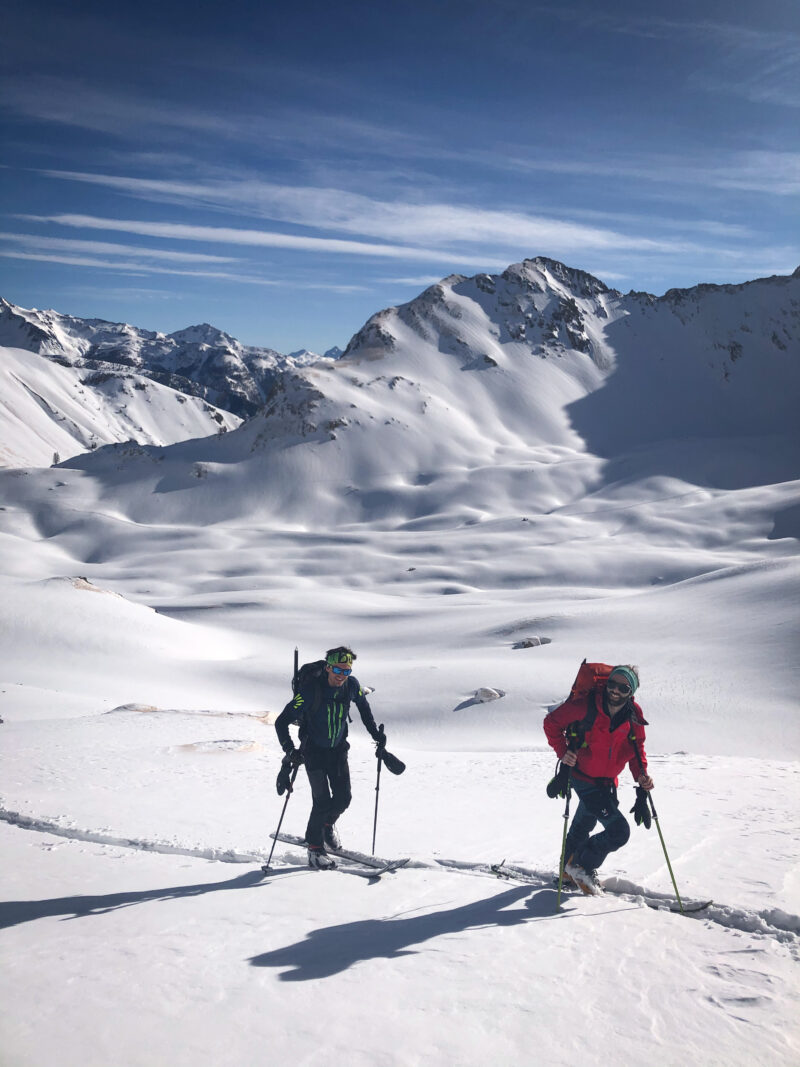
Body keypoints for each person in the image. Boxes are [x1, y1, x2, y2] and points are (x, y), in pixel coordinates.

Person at [543, 665, 654, 894]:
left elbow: (636, 749)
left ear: (631, 691)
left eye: (623, 687)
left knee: (583, 824)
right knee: (618, 832)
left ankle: (567, 873)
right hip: (583, 778)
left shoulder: (633, 715)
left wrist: (641, 776)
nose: (615, 690)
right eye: (612, 684)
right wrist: (563, 751)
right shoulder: (586, 706)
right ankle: (581, 865)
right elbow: (551, 723)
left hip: (607, 782)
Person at [274, 645, 386, 869]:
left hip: (338, 750)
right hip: (313, 751)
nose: (341, 676)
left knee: (344, 798)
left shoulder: (351, 686)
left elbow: (364, 707)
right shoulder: (309, 691)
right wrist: (289, 750)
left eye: (346, 671)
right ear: (328, 667)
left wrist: (375, 734)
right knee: (322, 801)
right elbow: (281, 721)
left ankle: (325, 826)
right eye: (337, 670)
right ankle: (315, 850)